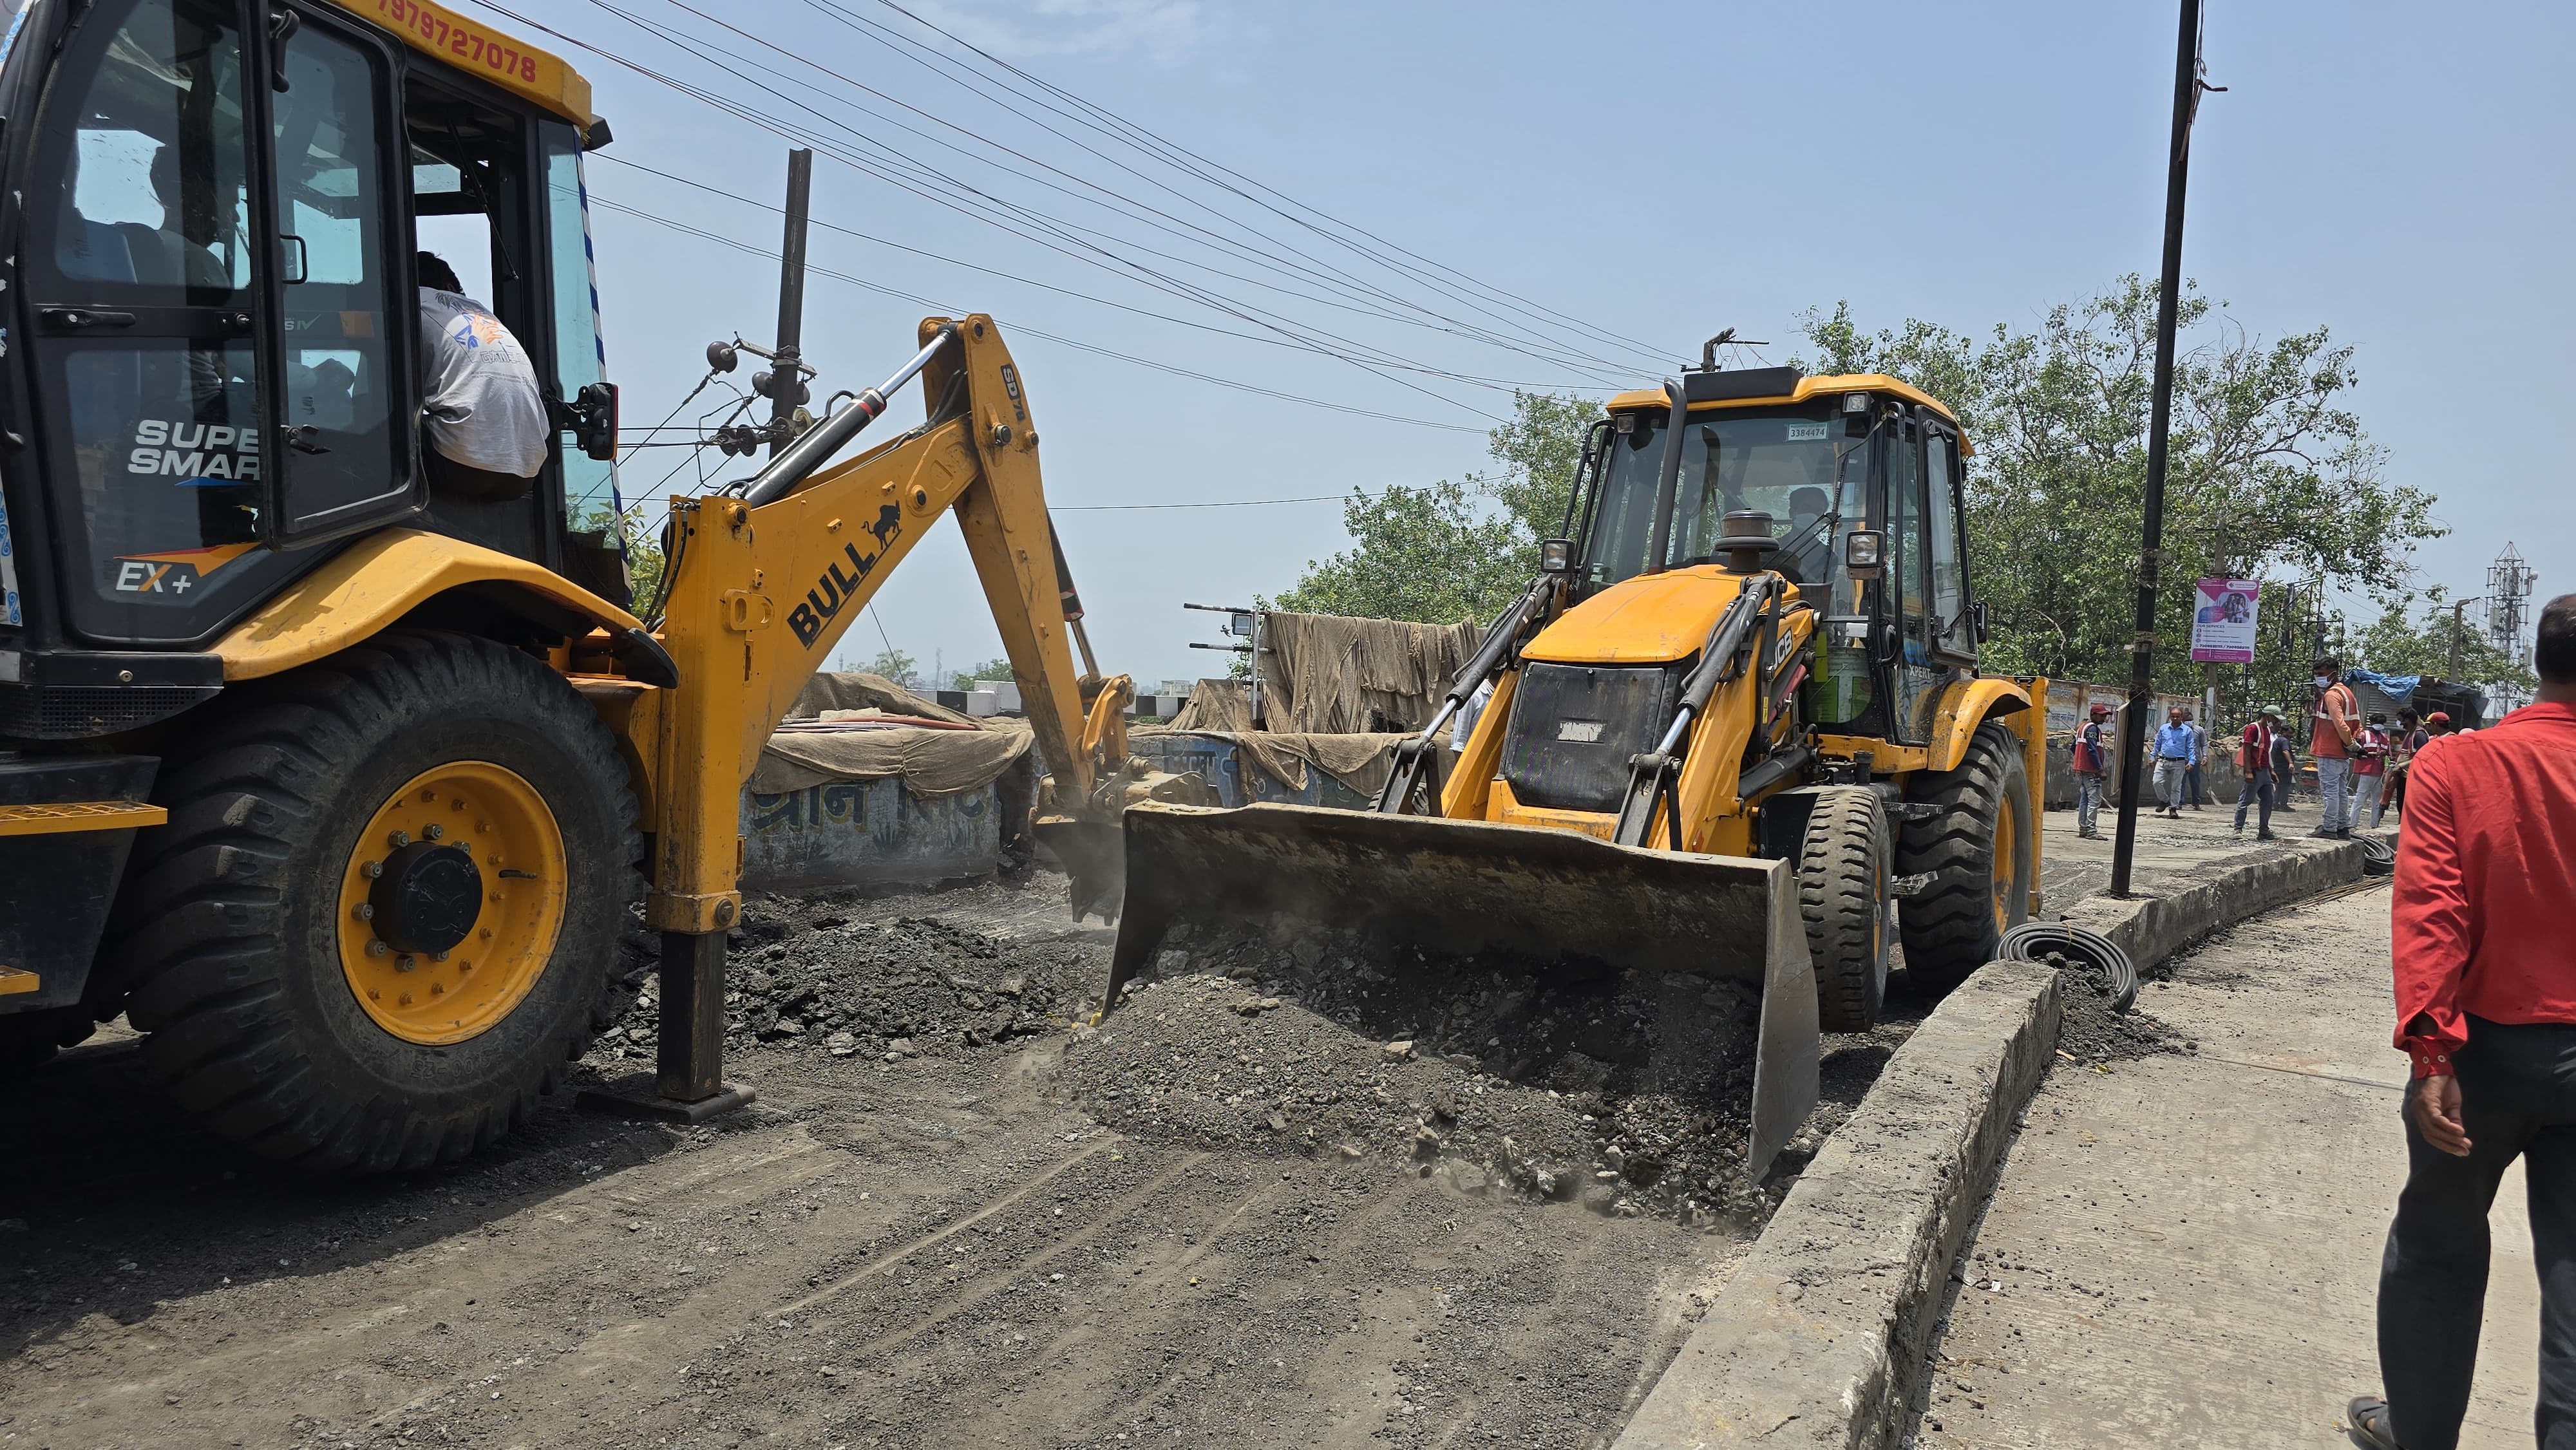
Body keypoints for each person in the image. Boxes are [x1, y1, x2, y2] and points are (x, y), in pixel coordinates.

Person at [2347, 594, 2576, 1450]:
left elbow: (2432, 913)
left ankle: (2419, 1431)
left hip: (2479, 1057)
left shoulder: (2454, 764)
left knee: (2438, 1249)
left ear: (2541, 664)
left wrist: (2430, 1048)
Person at [415, 250, 550, 499]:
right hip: (525, 473)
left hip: (459, 463)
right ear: (448, 286)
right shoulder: (484, 314)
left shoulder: (412, 303)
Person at [2312, 656, 2362, 839]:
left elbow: (2341, 724)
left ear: (2333, 673)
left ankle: (2329, 827)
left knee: (2330, 792)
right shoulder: (2347, 693)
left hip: (2329, 750)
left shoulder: (2331, 695)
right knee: (2340, 792)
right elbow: (2357, 722)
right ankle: (2342, 827)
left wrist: (2350, 743)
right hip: (2342, 754)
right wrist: (2353, 745)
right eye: (2317, 674)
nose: (2318, 678)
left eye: (2321, 674)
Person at [2233, 704, 2283, 840]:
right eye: (2276, 719)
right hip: (2255, 771)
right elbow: (2247, 751)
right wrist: (2248, 771)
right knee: (2245, 800)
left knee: (2268, 800)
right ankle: (2237, 830)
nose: (2277, 722)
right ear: (2269, 717)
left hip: (2264, 771)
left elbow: (2266, 753)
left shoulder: (2267, 730)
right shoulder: (2253, 729)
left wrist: (2271, 771)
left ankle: (2264, 831)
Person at [2072, 702, 2112, 839]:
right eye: (2101, 716)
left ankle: (2083, 828)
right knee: (2094, 800)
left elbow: (2074, 747)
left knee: (2085, 799)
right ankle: (2091, 830)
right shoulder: (2092, 729)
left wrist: (2080, 760)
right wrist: (2100, 769)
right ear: (2093, 715)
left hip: (2082, 769)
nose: (2104, 718)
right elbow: (2092, 750)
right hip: (2091, 770)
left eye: (2105, 716)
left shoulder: (2082, 727)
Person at [2153, 705, 2197, 820]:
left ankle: (2173, 808)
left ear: (2181, 717)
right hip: (2163, 760)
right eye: (2173, 716)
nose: (2175, 719)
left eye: (2177, 716)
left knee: (2176, 787)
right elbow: (2157, 743)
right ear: (2170, 717)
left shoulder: (2187, 731)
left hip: (2179, 762)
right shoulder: (2164, 728)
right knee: (2156, 782)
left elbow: (2190, 747)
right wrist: (2152, 757)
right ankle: (2164, 800)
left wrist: (2191, 761)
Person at [2354, 713, 2393, 831]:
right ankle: (2352, 823)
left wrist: (2386, 762)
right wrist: (2368, 754)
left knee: (2377, 802)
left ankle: (2374, 825)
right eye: (2378, 722)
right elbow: (2355, 752)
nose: (2379, 725)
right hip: (2366, 770)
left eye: (2382, 723)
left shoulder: (2385, 738)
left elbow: (2389, 756)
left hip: (2380, 773)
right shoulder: (2363, 735)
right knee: (2360, 799)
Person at [2184, 707, 2210, 810]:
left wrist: (2205, 756)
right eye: (2186, 721)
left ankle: (2196, 803)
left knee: (2195, 782)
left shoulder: (2199, 730)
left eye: (2190, 720)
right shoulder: (2180, 731)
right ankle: (2179, 803)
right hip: (2182, 760)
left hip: (2195, 760)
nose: (2189, 722)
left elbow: (2204, 744)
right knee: (2180, 783)